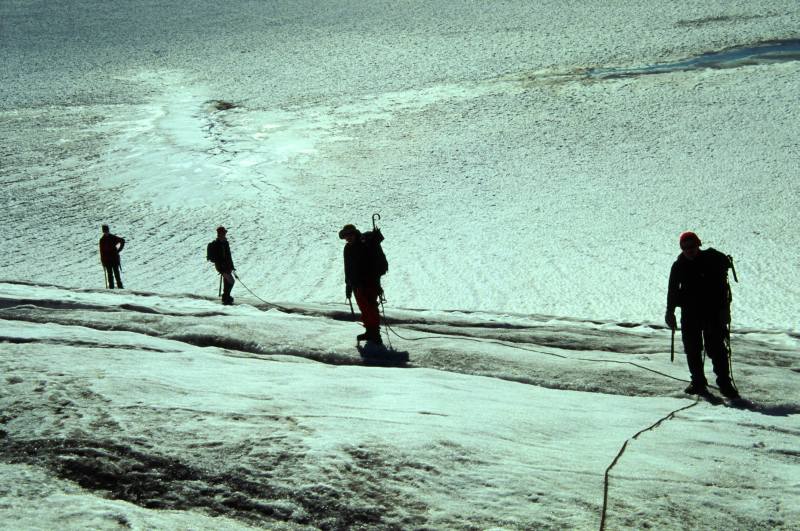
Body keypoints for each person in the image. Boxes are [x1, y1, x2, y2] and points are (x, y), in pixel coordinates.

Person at [665, 231, 740, 399]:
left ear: (698, 244)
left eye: (691, 246)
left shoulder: (712, 261)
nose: (689, 250)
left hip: (712, 312)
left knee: (717, 348)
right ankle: (698, 381)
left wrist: (724, 311)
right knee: (692, 348)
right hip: (690, 313)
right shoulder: (679, 265)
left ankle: (725, 384)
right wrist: (669, 312)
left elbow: (722, 290)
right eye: (685, 247)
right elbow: (672, 290)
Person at [339, 223, 383, 344]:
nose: (348, 238)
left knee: (371, 307)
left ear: (354, 234)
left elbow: (372, 265)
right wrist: (348, 286)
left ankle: (375, 334)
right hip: (356, 284)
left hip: (369, 283)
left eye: (350, 235)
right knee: (364, 308)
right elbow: (347, 268)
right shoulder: (347, 249)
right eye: (346, 236)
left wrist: (376, 283)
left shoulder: (364, 245)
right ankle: (370, 331)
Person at [207, 226, 235, 305]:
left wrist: (232, 266)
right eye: (224, 233)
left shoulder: (225, 243)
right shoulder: (217, 244)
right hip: (221, 267)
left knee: (228, 281)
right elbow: (217, 258)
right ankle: (226, 296)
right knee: (231, 281)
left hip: (227, 266)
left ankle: (226, 296)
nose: (225, 234)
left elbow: (229, 256)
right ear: (220, 233)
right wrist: (222, 266)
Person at [99, 224, 125, 289]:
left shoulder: (112, 237)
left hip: (114, 259)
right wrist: (102, 261)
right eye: (105, 231)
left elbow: (122, 241)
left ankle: (120, 287)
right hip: (107, 260)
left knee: (117, 274)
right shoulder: (102, 240)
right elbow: (101, 252)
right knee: (110, 275)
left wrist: (118, 250)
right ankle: (111, 288)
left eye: (106, 231)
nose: (106, 232)